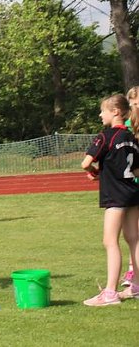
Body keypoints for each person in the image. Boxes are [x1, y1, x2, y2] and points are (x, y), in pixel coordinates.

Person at [81, 94, 139, 306]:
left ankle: (110, 293)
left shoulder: (105, 136)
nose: (100, 114)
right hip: (133, 193)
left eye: (102, 111)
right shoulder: (132, 138)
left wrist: (93, 171)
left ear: (115, 112)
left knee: (110, 241)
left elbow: (85, 163)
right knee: (134, 239)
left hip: (115, 196)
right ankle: (136, 286)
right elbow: (136, 170)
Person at [121, 87, 139, 286]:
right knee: (133, 232)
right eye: (132, 103)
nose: (135, 106)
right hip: (132, 183)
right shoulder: (126, 126)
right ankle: (132, 269)